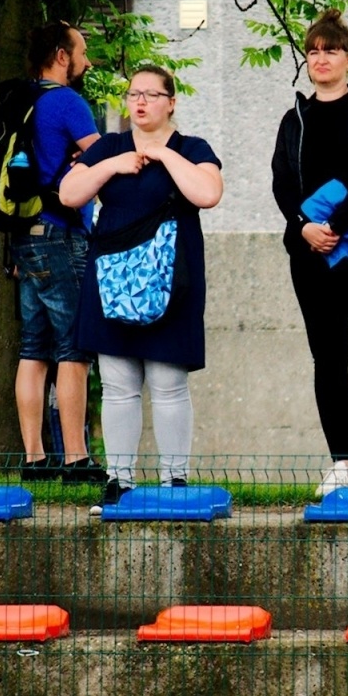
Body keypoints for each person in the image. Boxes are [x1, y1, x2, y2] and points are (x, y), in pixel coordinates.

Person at [61, 65, 224, 511]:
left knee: (169, 381)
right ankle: (120, 482)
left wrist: (165, 156)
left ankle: (175, 481)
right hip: (112, 279)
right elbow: (69, 194)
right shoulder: (109, 147)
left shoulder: (192, 148)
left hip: (173, 280)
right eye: (135, 93)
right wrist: (114, 164)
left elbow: (208, 193)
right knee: (117, 384)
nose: (141, 102)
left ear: (171, 102)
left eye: (152, 94)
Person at [270, 9, 348, 496]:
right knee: (328, 358)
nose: (320, 59)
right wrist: (305, 229)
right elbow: (282, 183)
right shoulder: (294, 119)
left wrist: (333, 225)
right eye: (313, 51)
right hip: (311, 258)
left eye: (330, 50)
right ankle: (342, 464)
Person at [14, 21, 105, 483]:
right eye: (82, 52)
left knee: (33, 348)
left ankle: (34, 460)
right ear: (62, 55)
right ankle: (75, 459)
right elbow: (105, 160)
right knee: (74, 347)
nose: (86, 61)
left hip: (23, 237)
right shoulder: (67, 101)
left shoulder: (20, 101)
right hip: (61, 233)